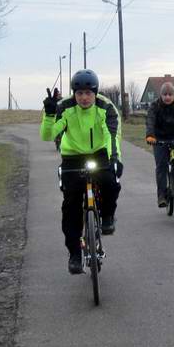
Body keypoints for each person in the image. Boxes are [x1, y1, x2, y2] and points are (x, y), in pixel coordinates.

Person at [40, 69, 123, 275]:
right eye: (79, 94)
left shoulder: (105, 107)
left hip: (100, 154)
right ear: (74, 94)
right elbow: (47, 135)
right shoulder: (65, 107)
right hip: (73, 157)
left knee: (111, 182)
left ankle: (107, 217)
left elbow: (112, 136)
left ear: (95, 93)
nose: (84, 98)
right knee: (70, 207)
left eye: (88, 93)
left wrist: (114, 159)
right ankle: (75, 254)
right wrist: (50, 115)